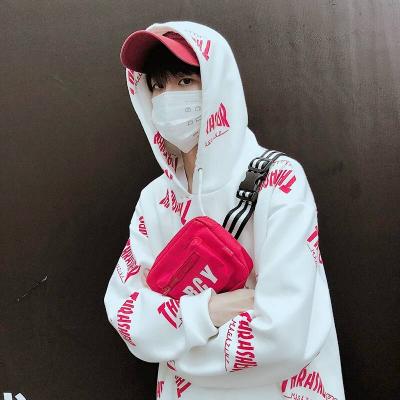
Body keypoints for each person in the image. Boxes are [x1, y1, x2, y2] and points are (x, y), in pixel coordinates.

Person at [104, 20, 346, 400]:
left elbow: (283, 335)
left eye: (185, 81)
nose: (167, 98)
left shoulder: (279, 180)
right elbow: (127, 315)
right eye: (158, 86)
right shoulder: (154, 200)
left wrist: (175, 342)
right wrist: (210, 311)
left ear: (218, 83)